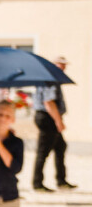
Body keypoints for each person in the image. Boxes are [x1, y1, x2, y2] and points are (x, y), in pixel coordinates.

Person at [32, 56, 76, 191]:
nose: (63, 68)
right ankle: (37, 183)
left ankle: (61, 180)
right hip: (48, 118)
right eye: (60, 65)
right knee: (43, 151)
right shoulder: (51, 79)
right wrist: (58, 121)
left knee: (60, 148)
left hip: (50, 118)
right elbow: (48, 102)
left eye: (64, 65)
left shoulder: (52, 78)